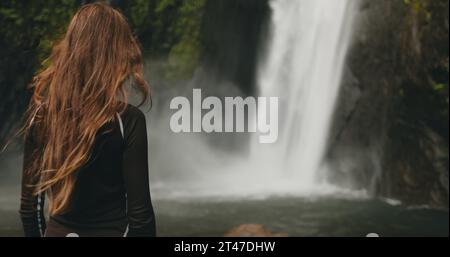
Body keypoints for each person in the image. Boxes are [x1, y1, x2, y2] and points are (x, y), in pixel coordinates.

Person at [19, 2, 156, 237]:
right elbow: (140, 217)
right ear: (116, 54)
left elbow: (30, 208)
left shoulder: (42, 115)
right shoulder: (128, 120)